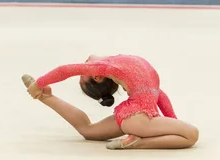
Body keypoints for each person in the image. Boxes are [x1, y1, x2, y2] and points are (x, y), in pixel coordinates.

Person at [23, 54, 199, 150]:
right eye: (85, 71)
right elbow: (65, 70)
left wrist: (173, 122)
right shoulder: (107, 67)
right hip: (139, 119)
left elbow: (160, 94)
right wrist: (40, 83)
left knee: (88, 131)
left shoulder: (117, 65)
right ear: (97, 76)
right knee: (191, 135)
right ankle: (138, 143)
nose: (84, 63)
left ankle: (44, 97)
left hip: (134, 117)